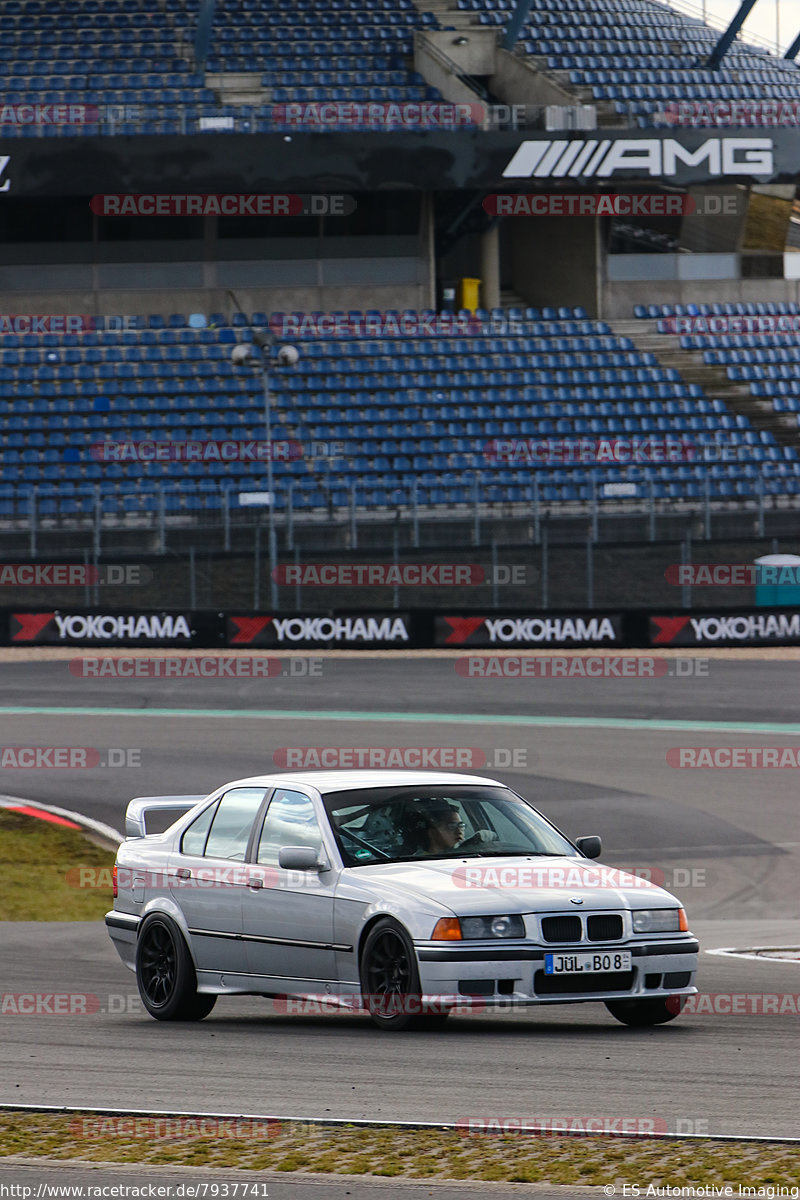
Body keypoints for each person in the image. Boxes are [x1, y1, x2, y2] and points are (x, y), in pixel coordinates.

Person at [411, 799, 497, 857]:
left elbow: (490, 835)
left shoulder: (471, 852)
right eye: (451, 826)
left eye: (461, 825)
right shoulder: (416, 860)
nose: (459, 831)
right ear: (432, 833)